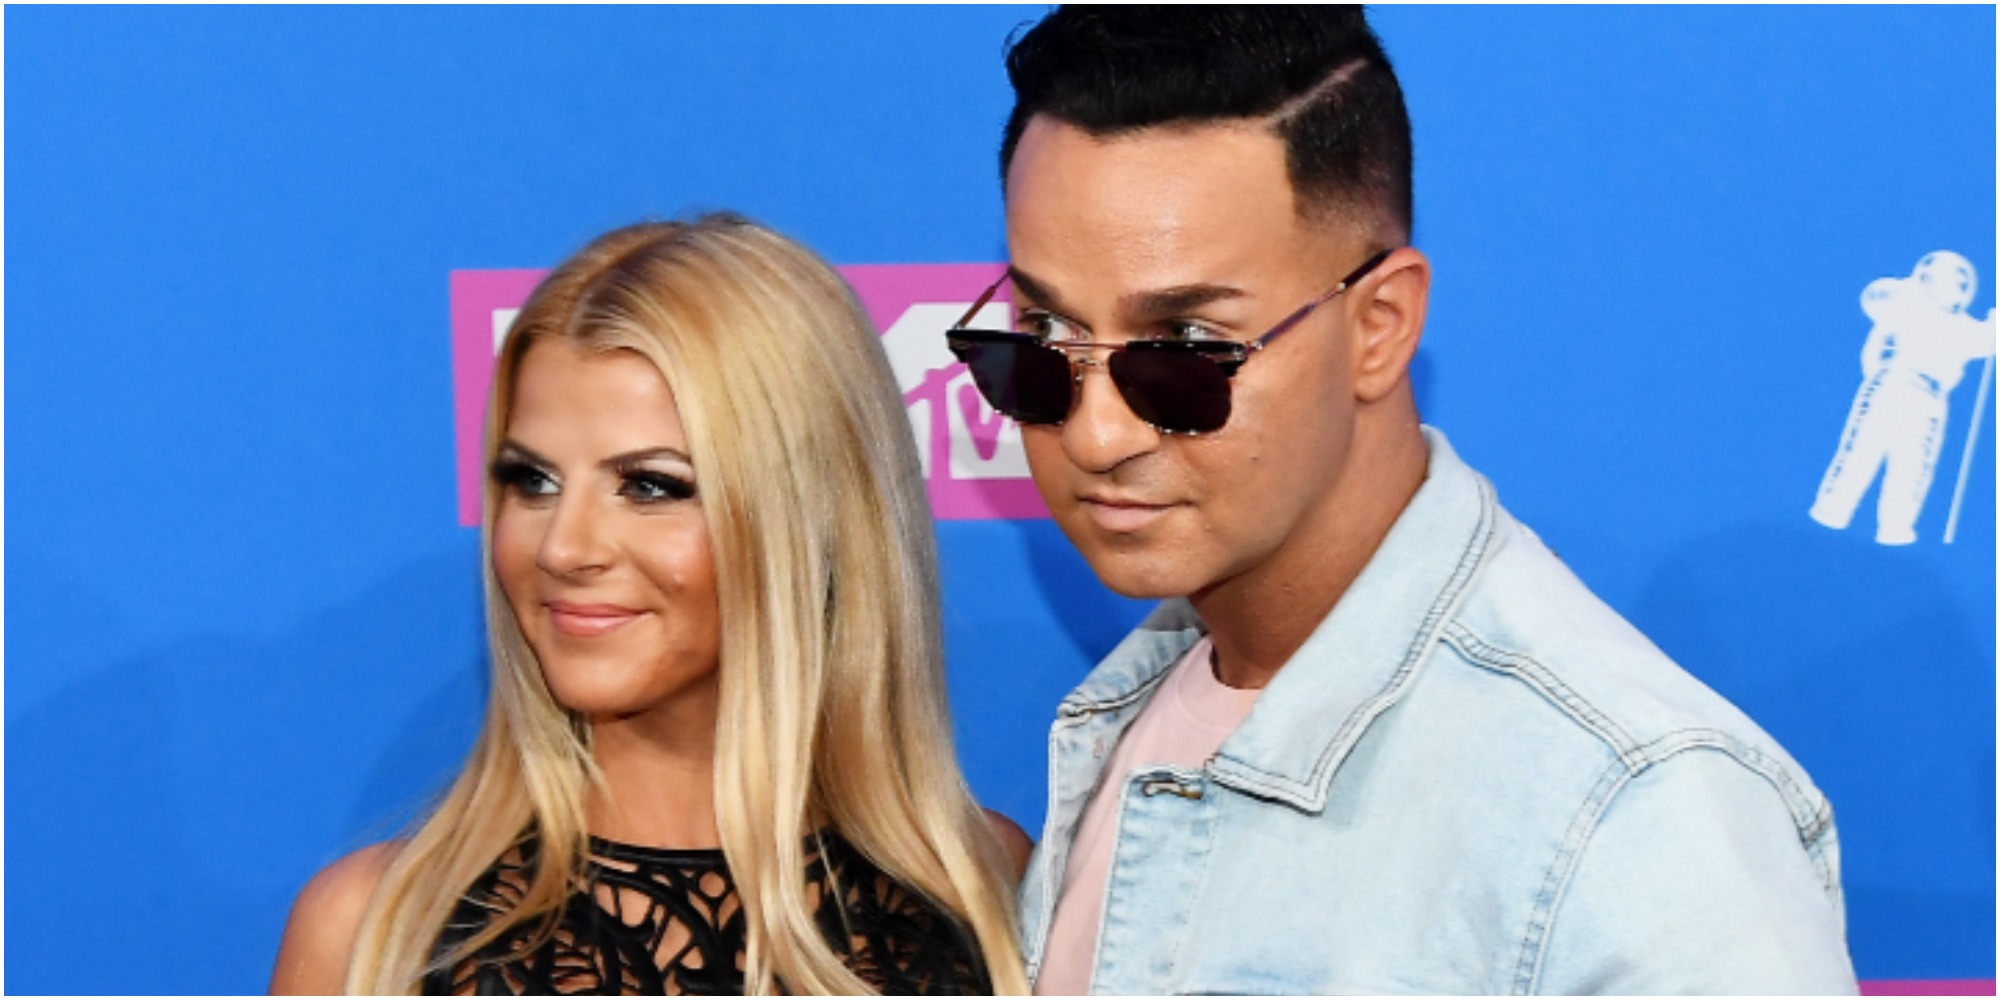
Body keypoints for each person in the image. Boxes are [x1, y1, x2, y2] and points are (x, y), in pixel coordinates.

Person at [943, 7, 1859, 994]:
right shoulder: (1134, 713)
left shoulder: (1629, 813)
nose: (1096, 435)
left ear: (1380, 326)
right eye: (1043, 335)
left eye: (1188, 351)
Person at [271, 215, 1032, 995]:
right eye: (533, 481)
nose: (563, 548)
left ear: (811, 521)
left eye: (650, 486)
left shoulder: (990, 893)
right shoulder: (372, 936)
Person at [1809, 249, 1995, 545]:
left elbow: (1985, 341)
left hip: (1929, 400)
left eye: (1958, 283)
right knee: (1861, 450)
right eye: (1942, 278)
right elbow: (1874, 298)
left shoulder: (1961, 327)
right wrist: (1907, 290)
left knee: (1912, 466)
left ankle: (1895, 530)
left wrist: (1995, 326)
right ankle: (1830, 513)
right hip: (1891, 383)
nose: (1949, 286)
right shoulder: (1904, 302)